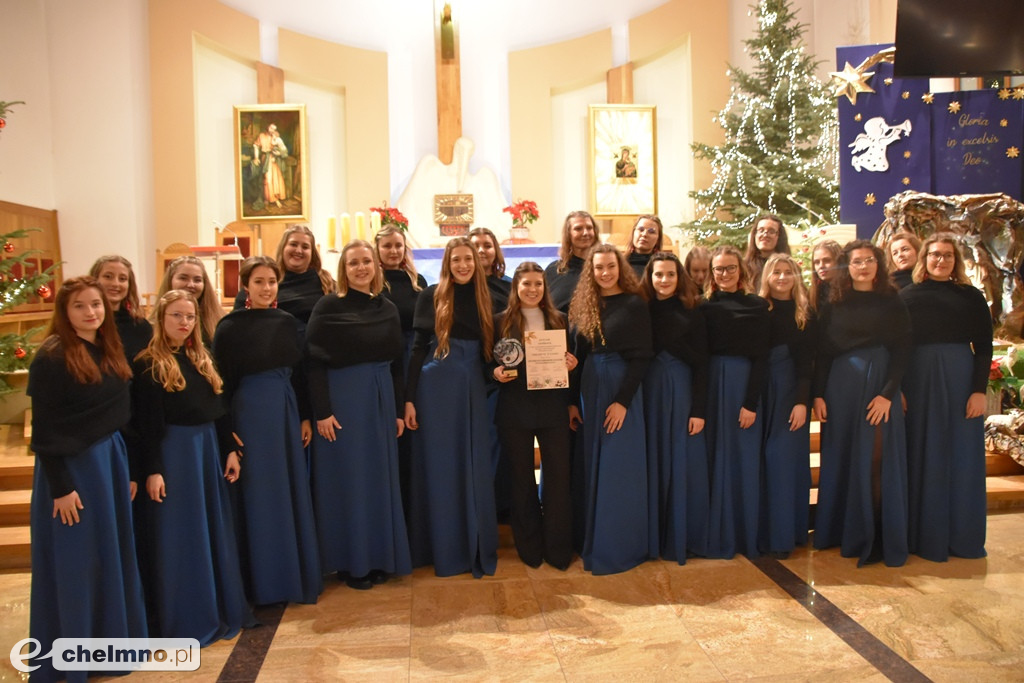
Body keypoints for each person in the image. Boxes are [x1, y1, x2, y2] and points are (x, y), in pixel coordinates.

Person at [26, 276, 147, 681]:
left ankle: (109, 647)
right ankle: (72, 653)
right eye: (80, 306)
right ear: (65, 311)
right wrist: (60, 488)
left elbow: (120, 417)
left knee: (106, 557)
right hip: (72, 470)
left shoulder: (108, 349)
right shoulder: (52, 356)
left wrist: (127, 471)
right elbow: (44, 430)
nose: (91, 312)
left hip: (108, 463)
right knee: (76, 562)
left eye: (96, 304)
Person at [132, 290, 251, 644]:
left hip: (207, 451)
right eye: (176, 316)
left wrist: (230, 449)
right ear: (161, 319)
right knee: (182, 536)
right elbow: (146, 426)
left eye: (190, 317)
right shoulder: (148, 364)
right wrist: (152, 469)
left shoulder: (201, 357)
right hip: (174, 456)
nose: (184, 323)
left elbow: (218, 410)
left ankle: (218, 607)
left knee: (211, 531)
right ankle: (187, 618)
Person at [212, 256, 322, 605]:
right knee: (258, 494)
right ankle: (262, 580)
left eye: (271, 282)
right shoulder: (229, 327)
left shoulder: (288, 321)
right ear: (246, 285)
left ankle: (292, 575)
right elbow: (222, 385)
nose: (266, 288)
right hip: (249, 414)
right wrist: (228, 433)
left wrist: (305, 415)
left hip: (285, 410)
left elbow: (301, 372)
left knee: (287, 488)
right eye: (258, 282)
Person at [306, 241, 411, 589]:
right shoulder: (327, 306)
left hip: (379, 400)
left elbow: (397, 364)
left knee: (378, 480)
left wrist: (397, 411)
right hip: (344, 402)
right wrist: (322, 412)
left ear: (376, 267)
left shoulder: (388, 308)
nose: (361, 268)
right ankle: (351, 563)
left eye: (367, 261)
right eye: (354, 263)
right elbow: (314, 363)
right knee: (349, 481)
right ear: (344, 270)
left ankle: (380, 557)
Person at [813, 240, 911, 567]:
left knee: (876, 460)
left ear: (878, 266)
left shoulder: (891, 301)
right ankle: (844, 531)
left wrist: (887, 394)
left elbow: (902, 352)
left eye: (869, 261)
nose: (864, 266)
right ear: (848, 267)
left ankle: (878, 534)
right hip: (841, 387)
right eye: (857, 262)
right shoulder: (834, 302)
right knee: (840, 456)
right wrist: (818, 394)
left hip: (880, 384)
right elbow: (822, 352)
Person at [404, 237, 498, 577]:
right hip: (437, 383)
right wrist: (409, 399)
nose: (463, 265)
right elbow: (417, 350)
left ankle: (472, 543)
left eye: (468, 260)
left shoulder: (486, 296)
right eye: (456, 260)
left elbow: (492, 351)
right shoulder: (431, 296)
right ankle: (439, 547)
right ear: (447, 263)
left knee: (472, 463)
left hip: (472, 382)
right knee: (441, 466)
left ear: (477, 262)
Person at [900, 233, 991, 561]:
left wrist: (978, 391)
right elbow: (898, 348)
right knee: (922, 453)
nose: (941, 260)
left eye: (947, 256)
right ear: (923, 259)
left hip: (960, 381)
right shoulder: (907, 296)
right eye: (935, 255)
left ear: (956, 261)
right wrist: (898, 389)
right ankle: (923, 536)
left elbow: (984, 347)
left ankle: (962, 537)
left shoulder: (971, 297)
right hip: (918, 381)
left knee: (961, 457)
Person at [569, 243, 652, 574]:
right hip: (591, 386)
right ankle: (593, 539)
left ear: (621, 268)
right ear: (591, 272)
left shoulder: (634, 304)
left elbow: (642, 356)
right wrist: (573, 402)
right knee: (593, 465)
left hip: (620, 389)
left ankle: (619, 547)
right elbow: (579, 355)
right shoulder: (586, 305)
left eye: (610, 267)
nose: (605, 273)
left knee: (619, 467)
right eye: (598, 268)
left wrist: (622, 402)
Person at [491, 262, 577, 569]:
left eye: (538, 284)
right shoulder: (500, 321)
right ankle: (529, 547)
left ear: (545, 288)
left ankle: (558, 549)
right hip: (515, 409)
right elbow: (489, 363)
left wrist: (570, 363)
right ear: (516, 287)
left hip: (553, 408)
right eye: (526, 284)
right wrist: (497, 373)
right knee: (521, 480)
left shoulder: (559, 320)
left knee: (557, 479)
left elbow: (572, 364)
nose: (532, 289)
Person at [700, 245, 770, 559]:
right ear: (711, 274)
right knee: (715, 457)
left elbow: (761, 357)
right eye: (719, 269)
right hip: (714, 384)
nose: (725, 274)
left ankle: (745, 533)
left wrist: (751, 403)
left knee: (744, 458)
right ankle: (716, 532)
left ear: (740, 270)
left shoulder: (757, 306)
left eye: (730, 268)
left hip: (744, 384)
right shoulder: (703, 306)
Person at [641, 252, 709, 562]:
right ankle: (651, 537)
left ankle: (680, 536)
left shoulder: (693, 311)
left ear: (679, 277)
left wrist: (698, 409)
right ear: (650, 277)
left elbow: (702, 364)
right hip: (649, 391)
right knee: (652, 461)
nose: (664, 280)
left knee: (681, 462)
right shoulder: (640, 310)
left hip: (682, 390)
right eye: (658, 275)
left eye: (670, 274)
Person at [757, 253, 815, 558]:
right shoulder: (759, 310)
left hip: (790, 390)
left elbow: (807, 362)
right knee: (760, 461)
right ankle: (761, 531)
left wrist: (801, 402)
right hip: (760, 390)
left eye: (787, 272)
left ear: (796, 276)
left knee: (782, 460)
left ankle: (784, 534)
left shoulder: (804, 312)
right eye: (776, 272)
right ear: (767, 276)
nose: (781, 277)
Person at [375, 224, 427, 521]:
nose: (393, 251)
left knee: (412, 428)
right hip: (386, 357)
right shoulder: (374, 281)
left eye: (398, 245)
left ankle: (412, 507)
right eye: (387, 246)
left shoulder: (416, 280)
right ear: (377, 249)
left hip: (412, 357)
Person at [232, 224, 335, 330]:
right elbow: (238, 322)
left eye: (305, 247)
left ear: (312, 253)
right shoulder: (267, 281)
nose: (299, 251)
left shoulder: (327, 282)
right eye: (293, 244)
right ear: (283, 248)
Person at [89, 254, 152, 362]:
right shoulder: (87, 322)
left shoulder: (141, 327)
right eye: (108, 276)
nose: (115, 283)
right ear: (94, 280)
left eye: (122, 279)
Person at [156, 255, 222, 343]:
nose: (191, 285)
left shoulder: (218, 322)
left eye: (197, 280)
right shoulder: (151, 326)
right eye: (183, 278)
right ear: (170, 280)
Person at [545, 210, 597, 312]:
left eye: (589, 228)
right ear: (568, 234)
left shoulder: (601, 270)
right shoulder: (553, 270)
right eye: (578, 229)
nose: (585, 233)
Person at [469, 226, 512, 312]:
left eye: (487, 246)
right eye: (475, 246)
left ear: (496, 251)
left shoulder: (510, 285)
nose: (481, 250)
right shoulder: (461, 285)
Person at [744, 214, 791, 291]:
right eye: (761, 230)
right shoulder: (743, 267)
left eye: (771, 231)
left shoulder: (789, 266)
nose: (765, 235)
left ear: (779, 237)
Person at [253, 122, 288, 208]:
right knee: (267, 179)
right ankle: (268, 198)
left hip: (273, 160)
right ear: (267, 127)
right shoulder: (261, 136)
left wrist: (277, 154)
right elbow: (256, 146)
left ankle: (275, 198)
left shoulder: (275, 137)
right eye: (271, 128)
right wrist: (256, 157)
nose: (272, 130)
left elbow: (283, 150)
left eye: (274, 129)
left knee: (275, 179)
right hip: (265, 159)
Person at [810, 240, 842, 312]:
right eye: (817, 262)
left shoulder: (850, 291)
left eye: (827, 260)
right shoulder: (813, 294)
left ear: (839, 262)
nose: (821, 266)